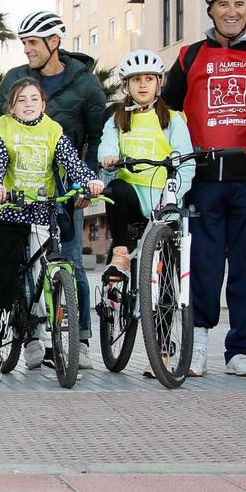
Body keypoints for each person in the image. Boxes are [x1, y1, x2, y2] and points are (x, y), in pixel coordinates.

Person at [160, 0, 246, 379]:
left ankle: (241, 351)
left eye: (239, 4)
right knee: (204, 265)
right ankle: (196, 344)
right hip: (201, 179)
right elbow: (168, 114)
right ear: (211, 11)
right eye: (223, 5)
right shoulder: (190, 56)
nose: (231, 12)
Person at [0, 12, 110, 367]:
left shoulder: (86, 84)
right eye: (24, 43)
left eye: (33, 43)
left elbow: (97, 137)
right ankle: (31, 337)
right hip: (20, 189)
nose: (26, 50)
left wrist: (87, 180)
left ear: (54, 43)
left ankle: (80, 340)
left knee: (69, 262)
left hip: (64, 188)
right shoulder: (15, 79)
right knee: (24, 268)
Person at [0, 77, 104, 378]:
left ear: (43, 104)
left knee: (51, 273)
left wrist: (88, 180)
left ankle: (53, 345)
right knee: (4, 281)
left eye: (34, 99)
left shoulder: (53, 130)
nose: (28, 105)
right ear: (11, 107)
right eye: (21, 100)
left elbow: (71, 162)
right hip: (11, 212)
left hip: (44, 211)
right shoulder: (2, 129)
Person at [97, 50, 195, 377]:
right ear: (126, 85)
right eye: (136, 80)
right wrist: (109, 157)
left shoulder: (173, 119)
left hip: (163, 202)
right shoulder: (118, 118)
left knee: (166, 286)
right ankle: (121, 253)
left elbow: (186, 163)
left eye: (148, 79)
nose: (143, 85)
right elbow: (107, 146)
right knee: (116, 189)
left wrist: (173, 196)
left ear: (159, 83)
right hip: (132, 198)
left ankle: (164, 353)